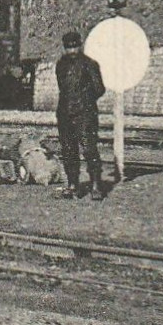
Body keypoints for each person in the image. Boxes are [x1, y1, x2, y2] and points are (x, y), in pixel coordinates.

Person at [55, 30, 110, 200]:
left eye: (75, 47)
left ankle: (95, 185)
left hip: (85, 114)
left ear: (80, 46)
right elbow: (62, 87)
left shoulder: (89, 64)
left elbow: (99, 88)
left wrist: (85, 100)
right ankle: (73, 184)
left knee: (89, 149)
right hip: (65, 113)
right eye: (68, 48)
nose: (72, 51)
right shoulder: (60, 65)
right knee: (68, 150)